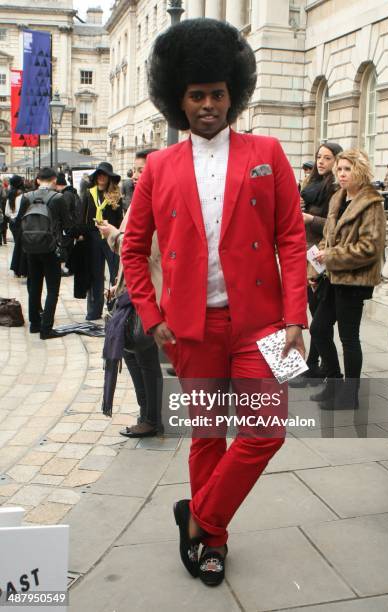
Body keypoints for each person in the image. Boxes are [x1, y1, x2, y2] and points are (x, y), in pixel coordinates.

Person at [122, 18, 307, 587]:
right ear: (179, 100)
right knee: (206, 436)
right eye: (197, 95)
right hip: (189, 330)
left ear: (235, 94)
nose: (208, 104)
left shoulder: (267, 151)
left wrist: (296, 317)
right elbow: (132, 249)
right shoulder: (158, 166)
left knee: (265, 433)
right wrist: (152, 318)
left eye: (217, 94)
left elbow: (292, 239)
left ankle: (197, 518)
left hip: (263, 327)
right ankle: (214, 542)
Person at [310, 149, 386, 409]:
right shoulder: (338, 198)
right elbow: (328, 237)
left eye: (347, 169)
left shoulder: (371, 203)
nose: (341, 174)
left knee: (348, 338)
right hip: (332, 277)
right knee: (318, 329)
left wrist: (330, 255)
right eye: (339, 169)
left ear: (360, 171)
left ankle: (349, 395)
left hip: (354, 280)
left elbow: (370, 248)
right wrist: (317, 265)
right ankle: (334, 381)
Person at [99, 208, 163, 437]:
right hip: (132, 290)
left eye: (140, 170)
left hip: (148, 291)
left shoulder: (157, 203)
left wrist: (113, 234)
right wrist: (120, 284)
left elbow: (144, 250)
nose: (135, 175)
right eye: (134, 169)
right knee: (132, 354)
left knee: (144, 355)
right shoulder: (140, 201)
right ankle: (146, 413)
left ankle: (152, 419)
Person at [291, 142, 343, 388]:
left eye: (327, 158)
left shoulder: (335, 189)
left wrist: (310, 218)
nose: (321, 162)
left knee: (319, 317)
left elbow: (335, 228)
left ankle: (317, 366)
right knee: (311, 313)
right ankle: (314, 365)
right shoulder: (309, 186)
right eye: (319, 157)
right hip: (303, 252)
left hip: (319, 256)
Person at [15, 167, 73, 339]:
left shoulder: (26, 197)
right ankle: (46, 328)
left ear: (38, 180)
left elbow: (19, 222)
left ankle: (34, 324)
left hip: (31, 248)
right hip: (51, 248)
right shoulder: (58, 198)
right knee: (53, 289)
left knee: (34, 286)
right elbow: (68, 224)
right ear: (55, 180)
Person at [79, 162, 123, 321]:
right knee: (95, 275)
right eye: (99, 174)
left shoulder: (116, 195)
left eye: (104, 174)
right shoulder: (88, 193)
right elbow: (82, 216)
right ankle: (94, 310)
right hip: (93, 238)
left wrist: (117, 235)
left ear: (109, 178)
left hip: (111, 238)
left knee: (114, 273)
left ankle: (114, 308)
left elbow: (120, 219)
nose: (101, 177)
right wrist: (82, 235)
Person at [5, 175, 28, 277]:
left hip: (13, 224)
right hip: (22, 223)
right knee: (23, 246)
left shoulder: (10, 195)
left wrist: (12, 215)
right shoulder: (23, 196)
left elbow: (7, 212)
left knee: (17, 245)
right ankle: (22, 268)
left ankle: (17, 268)